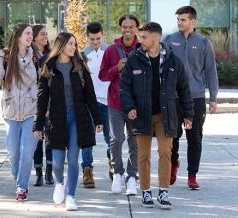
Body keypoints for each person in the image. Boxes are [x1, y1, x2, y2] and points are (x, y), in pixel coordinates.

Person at [120, 22, 193, 209]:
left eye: (144, 37)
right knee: (143, 156)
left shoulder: (173, 60)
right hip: (142, 115)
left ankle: (163, 193)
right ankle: (145, 192)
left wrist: (188, 115)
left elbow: (184, 89)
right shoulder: (134, 59)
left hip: (165, 115)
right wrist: (129, 107)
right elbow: (125, 86)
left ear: (156, 38)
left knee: (165, 153)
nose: (140, 40)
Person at [33, 32, 103, 211]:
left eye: (75, 44)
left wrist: (97, 119)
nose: (74, 47)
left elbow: (90, 95)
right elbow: (42, 98)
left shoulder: (79, 65)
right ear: (61, 45)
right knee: (57, 162)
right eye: (71, 44)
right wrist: (38, 125)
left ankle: (71, 195)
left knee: (73, 159)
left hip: (77, 118)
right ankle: (59, 183)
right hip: (56, 119)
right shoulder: (48, 66)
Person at [163, 6, 219, 190]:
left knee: (194, 137)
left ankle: (192, 175)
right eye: (178, 19)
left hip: (196, 98)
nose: (179, 22)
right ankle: (173, 165)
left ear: (192, 21)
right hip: (174, 97)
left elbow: (211, 71)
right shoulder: (169, 40)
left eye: (183, 20)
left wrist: (213, 98)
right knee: (173, 136)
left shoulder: (203, 43)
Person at [0, 23, 38, 201]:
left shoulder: (36, 56)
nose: (30, 37)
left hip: (32, 110)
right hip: (11, 111)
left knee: (27, 150)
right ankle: (19, 179)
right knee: (13, 153)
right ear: (18, 36)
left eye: (31, 34)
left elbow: (44, 82)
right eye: (27, 33)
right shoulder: (5, 56)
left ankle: (22, 186)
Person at [99, 14, 139, 195]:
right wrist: (116, 68)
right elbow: (102, 75)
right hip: (115, 102)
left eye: (131, 26)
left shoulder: (142, 48)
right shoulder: (111, 50)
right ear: (120, 28)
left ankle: (132, 177)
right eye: (124, 26)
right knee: (116, 139)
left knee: (135, 141)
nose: (128, 30)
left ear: (137, 28)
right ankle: (118, 173)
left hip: (137, 104)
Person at [80, 22, 110, 188]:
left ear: (102, 35)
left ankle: (112, 163)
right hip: (90, 103)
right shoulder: (82, 54)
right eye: (92, 39)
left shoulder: (110, 51)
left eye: (98, 38)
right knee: (87, 139)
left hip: (108, 102)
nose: (95, 42)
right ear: (87, 37)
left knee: (111, 138)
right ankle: (87, 170)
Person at [31, 24, 54, 186]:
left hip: (51, 101)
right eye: (42, 34)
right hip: (33, 102)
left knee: (51, 139)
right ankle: (38, 172)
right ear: (33, 37)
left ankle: (49, 173)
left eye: (46, 34)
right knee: (37, 139)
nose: (45, 36)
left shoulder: (52, 55)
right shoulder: (28, 55)